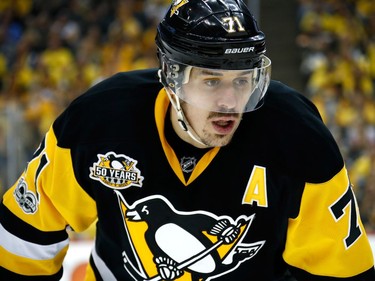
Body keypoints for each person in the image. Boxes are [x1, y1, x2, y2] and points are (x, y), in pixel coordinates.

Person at [0, 0, 374, 280]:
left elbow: (340, 271)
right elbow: (24, 235)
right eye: (211, 81)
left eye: (242, 81)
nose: (230, 102)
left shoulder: (297, 137)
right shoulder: (98, 121)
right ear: (172, 76)